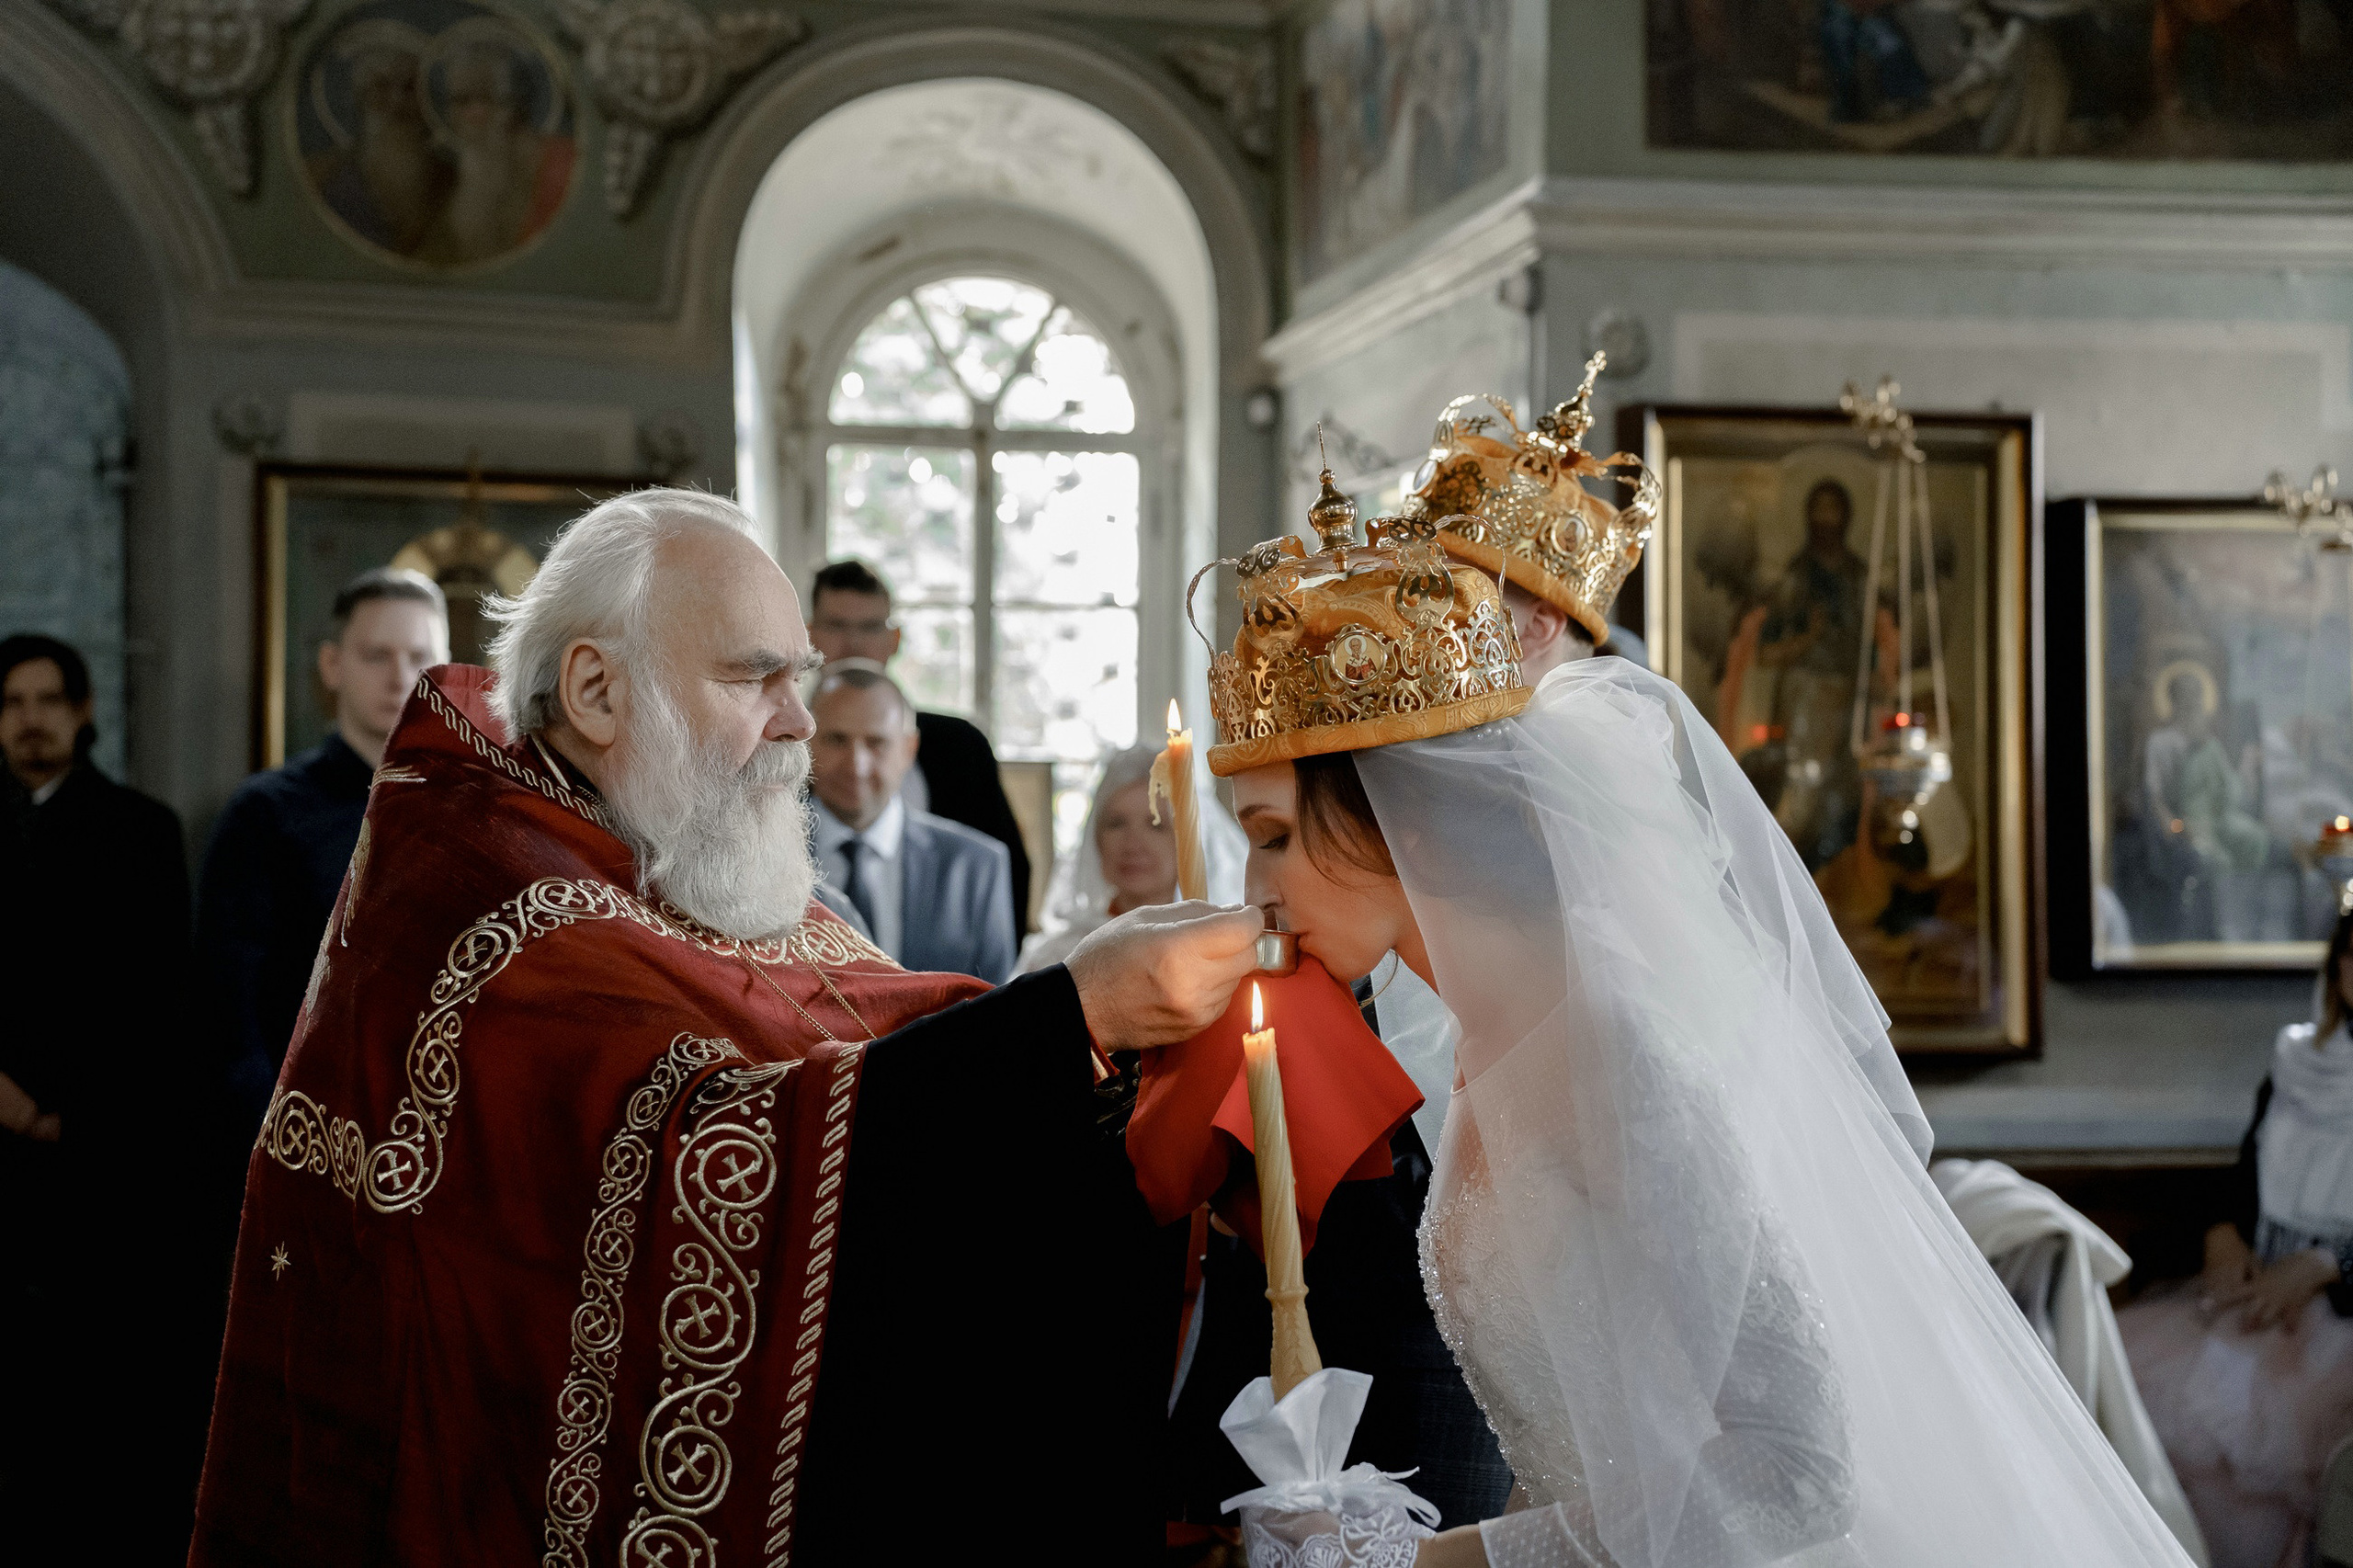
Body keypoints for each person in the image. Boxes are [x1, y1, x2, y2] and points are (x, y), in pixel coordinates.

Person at [189, 489, 1259, 1566]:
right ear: (598, 689)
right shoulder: (491, 891)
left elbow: (862, 1028)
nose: (798, 719)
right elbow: (703, 1146)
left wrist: (1091, 1039)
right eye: (757, 676)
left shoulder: (667, 838)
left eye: (797, 673)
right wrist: (1063, 1021)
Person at [1176, 456, 2194, 1567]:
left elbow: (1794, 1473)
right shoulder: (1468, 1037)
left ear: (1402, 817)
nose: (1254, 891)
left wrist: (1413, 1562)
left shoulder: (1614, 1048)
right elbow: (1592, 1452)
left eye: (1273, 834)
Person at [0, 632, 196, 1557]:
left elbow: (152, 1004)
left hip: (100, 1161)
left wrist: (50, 1111)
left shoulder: (139, 829)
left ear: (81, 712)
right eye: (12, 702)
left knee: (91, 1422)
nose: (30, 719)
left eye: (47, 700)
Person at [2117, 900, 2353, 1568]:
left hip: (2338, 1311)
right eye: (2352, 956)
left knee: (2278, 1442)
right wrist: (2224, 1233)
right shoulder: (2299, 1060)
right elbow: (2248, 1171)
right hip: (2265, 1293)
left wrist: (2326, 1264)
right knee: (2158, 1397)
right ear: (2337, 969)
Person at [199, 568, 449, 1135]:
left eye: (419, 656)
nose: (401, 677)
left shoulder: (477, 810)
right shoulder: (264, 814)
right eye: (376, 655)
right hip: (302, 1128)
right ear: (333, 665)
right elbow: (227, 1008)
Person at [804, 559, 1032, 926]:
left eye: (869, 627)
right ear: (809, 636)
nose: (854, 643)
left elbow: (1007, 873)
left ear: (894, 639)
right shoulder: (775, 748)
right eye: (836, 626)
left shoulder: (960, 748)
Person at [809, 659, 1017, 982]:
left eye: (876, 743)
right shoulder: (760, 857)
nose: (856, 765)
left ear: (909, 749)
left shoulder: (977, 866)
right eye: (837, 740)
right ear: (806, 744)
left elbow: (996, 1004)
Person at [1017, 742, 1247, 974]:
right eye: (1116, 824)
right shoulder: (1057, 958)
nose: (1133, 843)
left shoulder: (1221, 950)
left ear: (1191, 843)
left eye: (1156, 824)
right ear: (1096, 840)